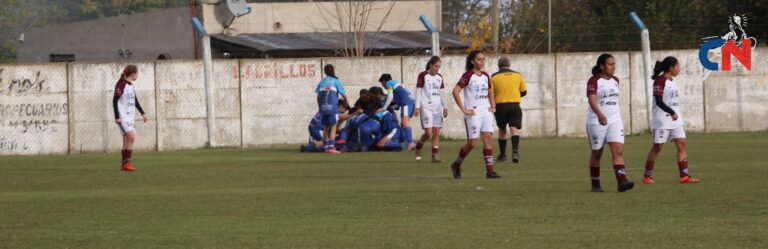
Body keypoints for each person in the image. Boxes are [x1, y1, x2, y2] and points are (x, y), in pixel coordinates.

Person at [643, 56, 702, 184]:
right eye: (677, 66)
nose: (679, 69)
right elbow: (658, 101)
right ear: (671, 68)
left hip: (675, 120)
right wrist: (671, 112)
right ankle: (647, 176)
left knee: (681, 143)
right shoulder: (660, 81)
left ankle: (684, 176)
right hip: (662, 120)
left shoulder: (672, 81)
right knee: (657, 147)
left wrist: (675, 114)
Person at [585, 54, 634, 192]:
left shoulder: (615, 80)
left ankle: (622, 182)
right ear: (602, 66)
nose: (613, 67)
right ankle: (595, 184)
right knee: (597, 153)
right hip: (596, 121)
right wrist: (600, 114)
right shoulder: (594, 81)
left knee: (618, 150)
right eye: (610, 64)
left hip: (615, 120)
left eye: (614, 64)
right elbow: (591, 99)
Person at [450, 51, 500, 179]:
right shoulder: (468, 75)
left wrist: (493, 106)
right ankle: (456, 164)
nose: (482, 61)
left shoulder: (485, 76)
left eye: (483, 59)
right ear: (472, 61)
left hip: (486, 112)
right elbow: (455, 92)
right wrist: (464, 109)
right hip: (473, 113)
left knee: (488, 139)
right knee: (472, 143)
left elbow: (490, 92)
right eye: (479, 59)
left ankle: (490, 171)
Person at [491, 56, 527, 163]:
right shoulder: (518, 75)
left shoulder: (493, 77)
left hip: (501, 107)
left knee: (502, 130)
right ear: (509, 64)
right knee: (514, 129)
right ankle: (515, 152)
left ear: (498, 65)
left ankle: (502, 155)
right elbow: (524, 92)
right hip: (514, 105)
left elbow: (490, 93)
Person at [113, 65, 148, 172]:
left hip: (130, 117)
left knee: (127, 139)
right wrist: (117, 116)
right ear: (133, 74)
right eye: (137, 73)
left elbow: (135, 101)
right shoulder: (121, 84)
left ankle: (124, 164)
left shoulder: (131, 85)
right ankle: (127, 163)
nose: (137, 75)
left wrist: (143, 113)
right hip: (122, 117)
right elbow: (114, 100)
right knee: (131, 137)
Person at [414, 56, 448, 163]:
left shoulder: (439, 77)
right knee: (428, 133)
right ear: (430, 65)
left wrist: (445, 107)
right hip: (426, 106)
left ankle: (435, 156)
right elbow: (418, 92)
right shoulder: (423, 75)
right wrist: (417, 107)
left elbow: (442, 94)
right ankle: (418, 146)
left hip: (438, 107)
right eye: (436, 66)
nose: (437, 68)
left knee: (436, 132)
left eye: (439, 66)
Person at [315, 64, 348, 154]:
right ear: (333, 70)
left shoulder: (322, 82)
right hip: (333, 107)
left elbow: (318, 96)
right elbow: (343, 94)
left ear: (325, 71)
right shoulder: (335, 81)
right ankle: (331, 148)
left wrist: (320, 107)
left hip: (323, 108)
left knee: (326, 127)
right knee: (333, 126)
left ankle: (325, 147)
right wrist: (347, 101)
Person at [379, 73, 417, 150]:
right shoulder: (397, 87)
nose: (383, 86)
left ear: (384, 81)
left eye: (382, 84)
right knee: (404, 125)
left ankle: (410, 143)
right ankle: (407, 143)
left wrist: (384, 108)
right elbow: (398, 103)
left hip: (407, 102)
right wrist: (391, 108)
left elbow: (390, 96)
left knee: (404, 123)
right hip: (411, 101)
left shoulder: (389, 83)